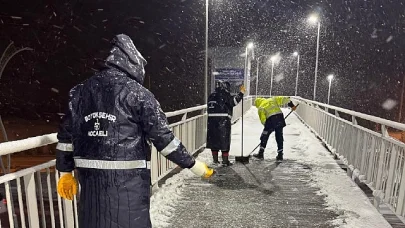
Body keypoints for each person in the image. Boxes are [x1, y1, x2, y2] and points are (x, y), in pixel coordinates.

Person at [55, 34, 214, 228]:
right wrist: (191, 163)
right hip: (128, 190)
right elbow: (163, 139)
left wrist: (65, 171)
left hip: (91, 190)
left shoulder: (79, 93)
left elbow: (65, 137)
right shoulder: (138, 94)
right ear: (133, 64)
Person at [206, 81, 246, 166]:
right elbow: (234, 102)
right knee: (224, 141)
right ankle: (225, 161)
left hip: (211, 122)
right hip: (223, 121)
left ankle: (215, 160)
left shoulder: (211, 96)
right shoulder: (225, 95)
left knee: (214, 141)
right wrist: (241, 93)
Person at [253, 96, 297, 161]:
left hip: (271, 119)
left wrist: (268, 127)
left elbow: (263, 120)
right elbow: (284, 99)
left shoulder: (260, 107)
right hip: (279, 117)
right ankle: (280, 154)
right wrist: (292, 105)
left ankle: (261, 153)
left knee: (264, 135)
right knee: (279, 136)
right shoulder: (272, 99)